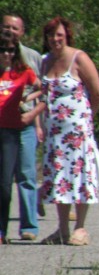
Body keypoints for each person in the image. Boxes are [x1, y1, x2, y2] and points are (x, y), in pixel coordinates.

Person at [24, 17, 99, 245]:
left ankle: (80, 227)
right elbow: (41, 94)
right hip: (54, 131)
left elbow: (97, 93)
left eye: (59, 35)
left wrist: (88, 118)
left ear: (67, 35)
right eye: (51, 35)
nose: (55, 39)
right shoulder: (45, 61)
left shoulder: (79, 58)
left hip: (78, 129)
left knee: (80, 175)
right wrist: (39, 123)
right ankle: (62, 229)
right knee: (58, 175)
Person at [2, 14, 43, 240]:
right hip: (3, 124)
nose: (10, 30)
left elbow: (41, 91)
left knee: (26, 174)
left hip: (25, 121)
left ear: (22, 32)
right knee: (3, 179)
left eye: (15, 28)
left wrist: (36, 120)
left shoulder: (32, 57)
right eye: (6, 27)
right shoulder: (1, 56)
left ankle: (29, 226)